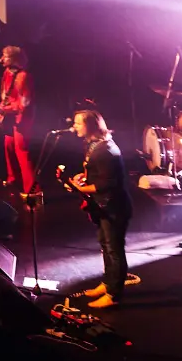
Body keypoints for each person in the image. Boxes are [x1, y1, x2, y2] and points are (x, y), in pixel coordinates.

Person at [67, 109, 131, 307]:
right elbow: (98, 175)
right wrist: (83, 178)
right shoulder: (95, 145)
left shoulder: (105, 151)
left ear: (91, 126)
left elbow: (107, 184)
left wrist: (79, 187)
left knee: (114, 249)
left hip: (114, 207)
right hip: (104, 206)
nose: (74, 126)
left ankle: (114, 294)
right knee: (105, 244)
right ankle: (108, 282)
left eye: (78, 123)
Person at [0, 45, 36, 194]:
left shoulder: (23, 76)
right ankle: (13, 180)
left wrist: (5, 109)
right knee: (8, 146)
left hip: (22, 118)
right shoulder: (7, 73)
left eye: (4, 56)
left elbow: (24, 104)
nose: (1, 58)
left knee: (21, 150)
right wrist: (0, 109)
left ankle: (31, 189)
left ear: (13, 59)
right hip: (10, 116)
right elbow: (5, 95)